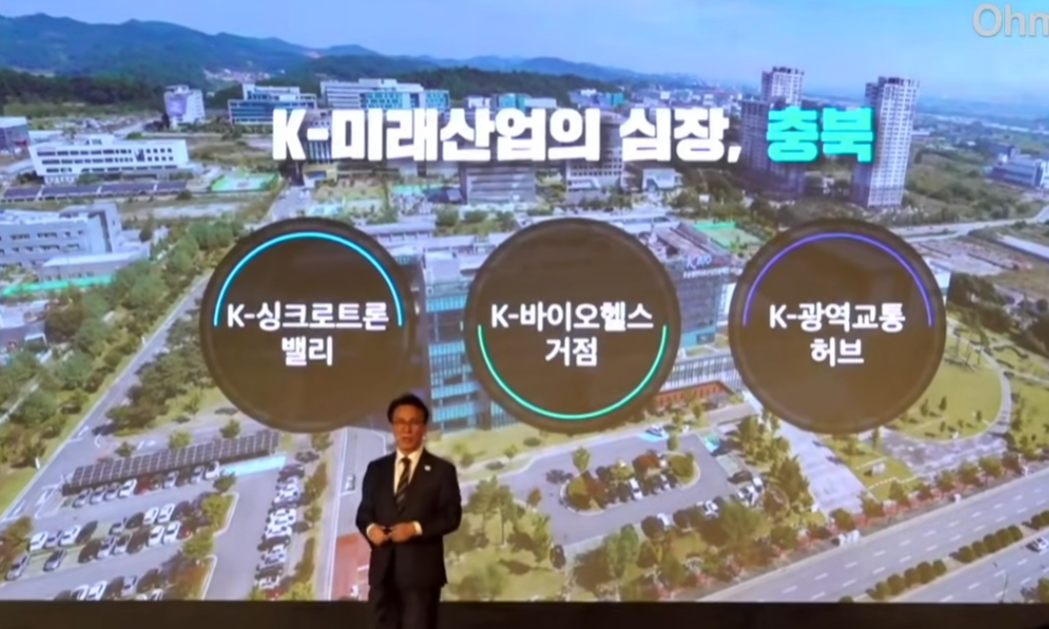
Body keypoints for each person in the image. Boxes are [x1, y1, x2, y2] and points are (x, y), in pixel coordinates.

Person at [356, 393, 462, 629]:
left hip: (420, 578)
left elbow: (451, 516)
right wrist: (371, 529)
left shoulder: (442, 470)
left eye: (414, 422)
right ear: (392, 427)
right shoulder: (376, 469)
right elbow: (364, 513)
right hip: (382, 576)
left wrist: (415, 529)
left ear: (424, 428)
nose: (406, 429)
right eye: (400, 422)